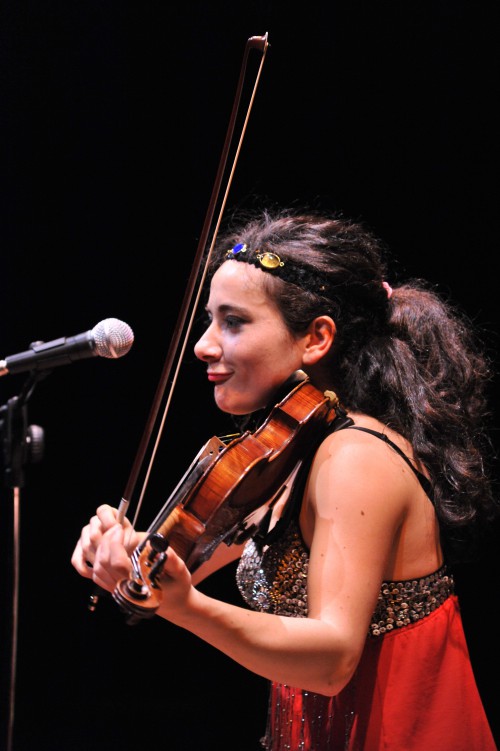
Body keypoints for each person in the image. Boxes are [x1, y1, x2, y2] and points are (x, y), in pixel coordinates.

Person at [72, 207, 498, 750]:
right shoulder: (291, 450)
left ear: (316, 337)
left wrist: (187, 608)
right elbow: (181, 565)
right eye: (209, 319)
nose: (203, 345)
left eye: (233, 321)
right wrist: (124, 555)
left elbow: (332, 661)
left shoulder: (355, 456)